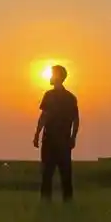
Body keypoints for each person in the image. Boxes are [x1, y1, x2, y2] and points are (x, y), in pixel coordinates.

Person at [33, 65, 79, 202]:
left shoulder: (49, 96)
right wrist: (73, 137)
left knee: (47, 175)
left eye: (52, 74)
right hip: (63, 140)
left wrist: (36, 134)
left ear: (58, 77)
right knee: (65, 175)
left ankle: (47, 203)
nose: (50, 77)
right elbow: (76, 120)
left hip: (51, 140)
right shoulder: (71, 97)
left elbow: (44, 116)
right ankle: (67, 203)